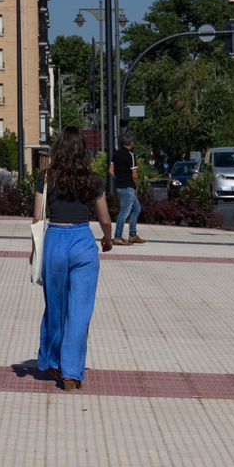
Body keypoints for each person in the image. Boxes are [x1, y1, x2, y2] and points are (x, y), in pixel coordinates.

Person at [37, 128, 115, 391]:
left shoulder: (46, 178)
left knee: (56, 307)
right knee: (80, 310)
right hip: (83, 241)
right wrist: (107, 238)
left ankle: (55, 363)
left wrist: (36, 249)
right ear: (83, 150)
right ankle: (71, 373)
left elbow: (38, 218)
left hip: (55, 240)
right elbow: (104, 218)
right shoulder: (93, 180)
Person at [111, 133, 145, 245]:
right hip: (128, 187)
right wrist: (137, 185)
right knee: (124, 212)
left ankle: (133, 235)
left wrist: (119, 178)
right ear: (130, 143)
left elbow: (110, 171)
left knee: (137, 208)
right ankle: (117, 237)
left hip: (120, 186)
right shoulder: (130, 155)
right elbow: (134, 175)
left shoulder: (116, 154)